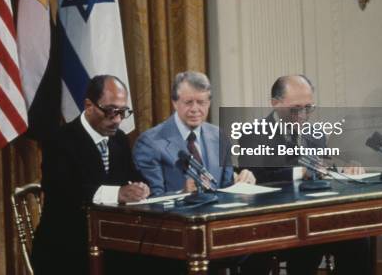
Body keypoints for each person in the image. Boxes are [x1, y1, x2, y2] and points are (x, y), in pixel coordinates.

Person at [245, 75, 372, 275]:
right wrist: (301, 172)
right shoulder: (254, 134)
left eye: (308, 107)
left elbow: (324, 169)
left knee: (357, 238)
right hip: (276, 222)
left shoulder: (316, 134)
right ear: (275, 104)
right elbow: (258, 177)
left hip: (315, 217)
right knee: (306, 246)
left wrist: (345, 170)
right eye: (296, 108)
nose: (303, 114)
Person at [31, 75, 149, 275]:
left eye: (122, 112)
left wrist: (142, 187)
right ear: (88, 105)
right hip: (66, 246)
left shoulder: (119, 140)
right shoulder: (60, 140)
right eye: (111, 111)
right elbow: (65, 191)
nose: (118, 120)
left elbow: (133, 174)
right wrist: (118, 194)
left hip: (110, 242)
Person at [133, 71, 255, 197]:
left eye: (201, 102)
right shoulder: (150, 142)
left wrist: (242, 182)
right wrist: (182, 193)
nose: (195, 109)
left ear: (209, 103)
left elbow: (227, 189)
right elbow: (150, 200)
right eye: (188, 102)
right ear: (174, 103)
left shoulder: (219, 136)